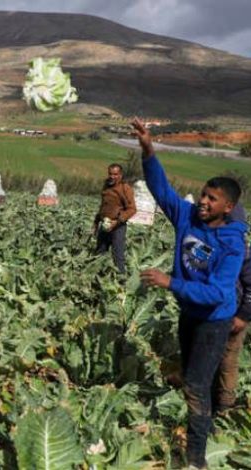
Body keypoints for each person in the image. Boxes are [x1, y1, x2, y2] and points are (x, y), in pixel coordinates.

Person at [133, 118, 247, 469]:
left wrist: (171, 283)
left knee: (196, 385)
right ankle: (204, 428)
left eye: (212, 199)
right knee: (195, 377)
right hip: (189, 314)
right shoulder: (188, 217)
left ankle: (196, 458)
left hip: (214, 321)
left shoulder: (232, 244)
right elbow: (162, 191)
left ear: (228, 207)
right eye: (203, 195)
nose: (203, 202)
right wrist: (148, 150)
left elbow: (217, 293)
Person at [213, 203, 251, 415]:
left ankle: (225, 406)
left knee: (227, 359)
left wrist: (243, 316)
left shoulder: (244, 253)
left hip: (234, 315)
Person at [93, 163, 136, 274]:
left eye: (115, 174)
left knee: (118, 255)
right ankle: (98, 277)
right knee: (99, 253)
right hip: (105, 225)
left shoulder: (125, 188)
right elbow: (103, 206)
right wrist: (96, 222)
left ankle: (121, 279)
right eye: (110, 174)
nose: (112, 176)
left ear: (120, 175)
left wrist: (117, 221)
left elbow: (132, 209)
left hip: (118, 226)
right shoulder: (106, 186)